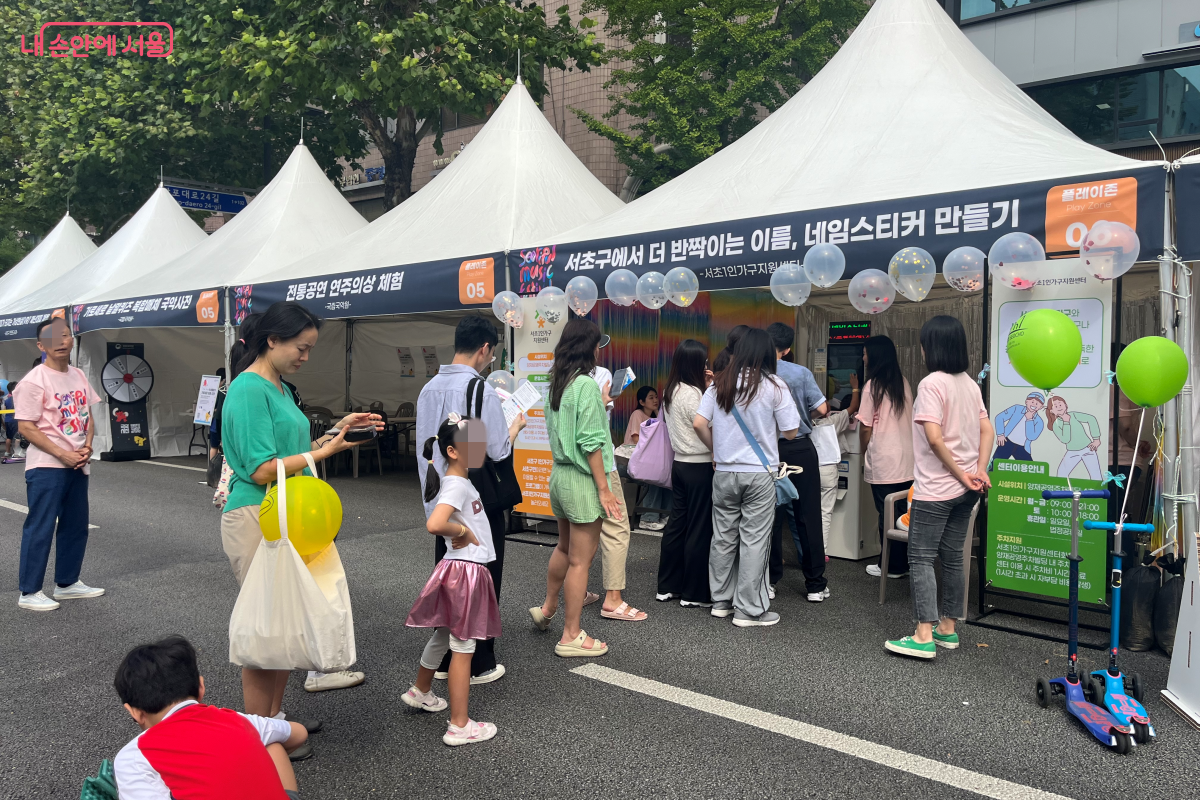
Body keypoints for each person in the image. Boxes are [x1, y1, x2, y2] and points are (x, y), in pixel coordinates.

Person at [219, 303, 381, 752]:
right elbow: (260, 468)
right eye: (301, 347)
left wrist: (337, 432)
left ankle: (274, 721)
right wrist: (323, 454)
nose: (305, 357)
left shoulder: (276, 386)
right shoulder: (248, 388)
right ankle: (261, 738)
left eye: (309, 348)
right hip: (258, 515)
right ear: (272, 340)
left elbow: (294, 450)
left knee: (283, 626)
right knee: (265, 632)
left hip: (283, 515)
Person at [416, 316, 526, 684]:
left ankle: (444, 660)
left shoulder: (428, 389)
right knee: (482, 577)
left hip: (443, 500)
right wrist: (514, 428)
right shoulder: (482, 390)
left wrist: (433, 507)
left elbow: (424, 452)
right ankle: (479, 662)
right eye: (491, 354)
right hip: (477, 503)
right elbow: (496, 450)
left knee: (450, 580)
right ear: (485, 348)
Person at [885, 316, 993, 660]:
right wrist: (978, 471)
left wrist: (961, 475)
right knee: (954, 557)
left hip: (936, 489)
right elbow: (987, 430)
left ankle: (922, 636)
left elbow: (934, 438)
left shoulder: (931, 384)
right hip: (968, 490)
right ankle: (947, 628)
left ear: (929, 348)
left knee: (920, 558)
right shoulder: (970, 384)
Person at [404, 414, 504, 746]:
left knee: (444, 634)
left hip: (457, 569)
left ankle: (421, 690)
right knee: (463, 646)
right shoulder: (457, 484)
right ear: (453, 451)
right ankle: (460, 725)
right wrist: (463, 531)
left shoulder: (456, 480)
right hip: (467, 571)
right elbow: (435, 524)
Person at [113, 636, 308, 800]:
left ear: (134, 712)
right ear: (201, 687)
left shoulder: (133, 756)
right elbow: (299, 733)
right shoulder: (235, 719)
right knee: (271, 742)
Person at [694, 328, 799, 627]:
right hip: (759, 474)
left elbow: (699, 423)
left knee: (723, 537)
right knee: (755, 541)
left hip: (724, 472)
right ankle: (749, 610)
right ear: (767, 353)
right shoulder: (775, 386)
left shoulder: (720, 383)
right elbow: (791, 431)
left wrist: (716, 450)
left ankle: (721, 601)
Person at [530, 317, 623, 655]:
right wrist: (604, 489)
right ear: (591, 348)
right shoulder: (585, 385)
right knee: (581, 561)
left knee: (564, 547)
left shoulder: (558, 381)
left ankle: (547, 609)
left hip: (560, 476)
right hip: (582, 480)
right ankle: (571, 635)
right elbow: (591, 442)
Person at [13, 317, 103, 612]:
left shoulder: (78, 375)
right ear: (42, 346)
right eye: (53, 338)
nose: (61, 342)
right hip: (47, 465)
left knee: (76, 525)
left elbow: (87, 415)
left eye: (65, 335)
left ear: (71, 339)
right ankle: (29, 591)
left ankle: (67, 583)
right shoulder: (33, 381)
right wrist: (62, 454)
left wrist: (87, 446)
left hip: (78, 462)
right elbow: (26, 427)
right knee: (40, 525)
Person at [765, 322, 829, 603]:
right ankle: (815, 584)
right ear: (788, 348)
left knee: (769, 517)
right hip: (799, 448)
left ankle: (769, 580)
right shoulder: (800, 373)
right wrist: (802, 416)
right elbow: (822, 408)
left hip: (768, 451)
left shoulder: (754, 374)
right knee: (808, 515)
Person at [589, 340, 647, 622]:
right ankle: (612, 599)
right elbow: (593, 431)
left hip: (567, 469)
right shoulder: (599, 374)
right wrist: (604, 487)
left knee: (575, 533)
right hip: (599, 462)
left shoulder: (557, 379)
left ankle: (552, 604)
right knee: (616, 527)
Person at [656, 339, 714, 607]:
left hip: (679, 464)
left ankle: (667, 586)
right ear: (695, 364)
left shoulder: (671, 390)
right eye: (704, 362)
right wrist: (715, 450)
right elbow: (705, 424)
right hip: (699, 465)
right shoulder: (694, 394)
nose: (706, 366)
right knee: (699, 528)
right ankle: (693, 593)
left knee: (677, 525)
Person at [856, 335, 915, 579]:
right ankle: (904, 564)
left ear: (875, 356)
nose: (863, 358)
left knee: (886, 513)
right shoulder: (903, 382)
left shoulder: (872, 386)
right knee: (904, 513)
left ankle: (890, 566)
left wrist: (864, 450)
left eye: (865, 353)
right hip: (907, 459)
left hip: (884, 458)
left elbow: (865, 427)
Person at [811, 374, 860, 554]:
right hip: (828, 470)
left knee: (808, 512)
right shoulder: (833, 421)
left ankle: (808, 551)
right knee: (825, 513)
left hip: (810, 470)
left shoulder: (805, 424)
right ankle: (821, 552)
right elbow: (853, 407)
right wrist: (855, 387)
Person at [625, 385, 669, 531]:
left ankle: (664, 514)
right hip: (629, 462)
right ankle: (648, 519)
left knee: (666, 477)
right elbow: (637, 439)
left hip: (645, 462)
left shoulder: (655, 419)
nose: (655, 400)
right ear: (642, 402)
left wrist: (658, 413)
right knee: (653, 477)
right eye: (651, 398)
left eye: (656, 397)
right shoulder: (637, 414)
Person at [1046, 395, 1103, 480]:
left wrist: (1096, 439)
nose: (1059, 407)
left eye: (1060, 404)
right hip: (1072, 452)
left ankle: (1097, 489)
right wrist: (1066, 422)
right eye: (1055, 406)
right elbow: (1065, 439)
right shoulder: (1056, 424)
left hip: (1088, 448)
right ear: (1051, 411)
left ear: (1066, 405)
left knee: (1096, 475)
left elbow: (1091, 419)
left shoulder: (1073, 415)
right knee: (1061, 474)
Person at [991, 391, 1045, 463]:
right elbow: (999, 417)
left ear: (1041, 407)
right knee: (994, 465)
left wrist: (1029, 420)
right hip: (1007, 442)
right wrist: (1000, 434)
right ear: (1026, 402)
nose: (1034, 405)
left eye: (1037, 403)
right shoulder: (1017, 408)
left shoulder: (1039, 421)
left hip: (1023, 447)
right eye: (1032, 401)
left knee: (1030, 468)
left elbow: (1032, 437)